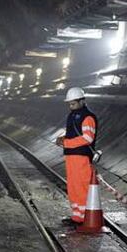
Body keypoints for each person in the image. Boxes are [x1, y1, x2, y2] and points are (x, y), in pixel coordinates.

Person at [56, 87, 98, 226]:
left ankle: (86, 216)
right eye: (69, 104)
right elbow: (70, 131)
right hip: (71, 157)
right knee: (73, 187)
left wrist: (67, 143)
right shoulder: (73, 115)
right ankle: (77, 217)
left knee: (81, 186)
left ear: (82, 101)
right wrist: (61, 138)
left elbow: (87, 138)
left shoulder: (88, 117)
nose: (71, 106)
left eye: (73, 103)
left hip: (81, 157)